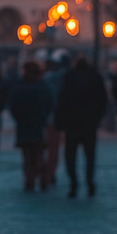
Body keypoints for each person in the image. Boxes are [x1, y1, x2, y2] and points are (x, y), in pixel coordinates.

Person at [55, 56, 107, 198]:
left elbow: (62, 100)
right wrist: (97, 118)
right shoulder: (95, 78)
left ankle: (74, 184)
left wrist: (60, 123)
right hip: (89, 123)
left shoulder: (69, 78)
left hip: (72, 123)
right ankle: (90, 183)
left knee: (70, 156)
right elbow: (102, 100)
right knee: (89, 155)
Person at [9, 61, 52, 192]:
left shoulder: (20, 86)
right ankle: (43, 178)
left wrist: (19, 118)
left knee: (27, 155)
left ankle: (29, 180)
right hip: (39, 123)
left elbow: (13, 104)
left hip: (24, 124)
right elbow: (50, 103)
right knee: (39, 153)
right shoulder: (43, 86)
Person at [43, 57, 67, 185]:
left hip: (42, 119)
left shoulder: (43, 81)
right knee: (53, 148)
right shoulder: (61, 79)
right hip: (55, 118)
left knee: (40, 147)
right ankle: (50, 172)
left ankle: (41, 173)